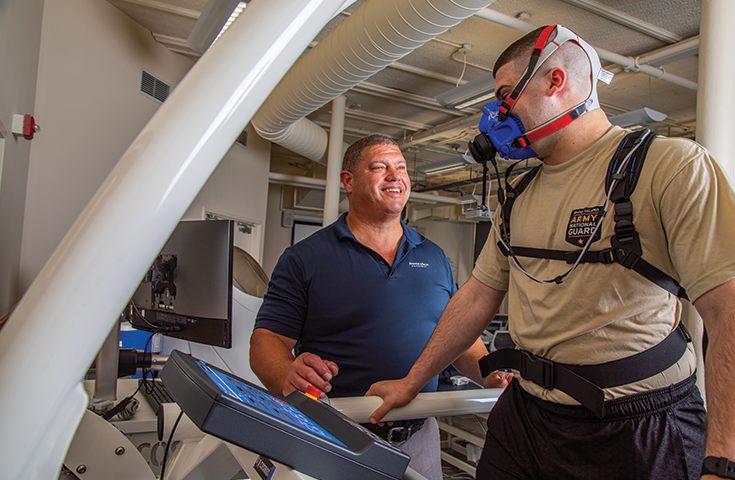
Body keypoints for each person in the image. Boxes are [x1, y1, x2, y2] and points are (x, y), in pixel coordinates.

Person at [366, 24, 735, 480]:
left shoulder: (670, 167)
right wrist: (412, 381)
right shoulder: (518, 192)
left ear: (554, 82)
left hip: (635, 425)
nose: (496, 112)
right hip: (526, 417)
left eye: (505, 94)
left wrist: (721, 461)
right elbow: (478, 296)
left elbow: (728, 311)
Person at [250, 134, 511, 480]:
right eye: (380, 167)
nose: (396, 176)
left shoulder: (434, 256)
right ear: (349, 181)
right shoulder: (305, 258)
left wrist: (488, 371)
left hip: (420, 439)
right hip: (339, 436)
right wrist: (285, 372)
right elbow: (265, 341)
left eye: (401, 168)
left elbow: (456, 336)